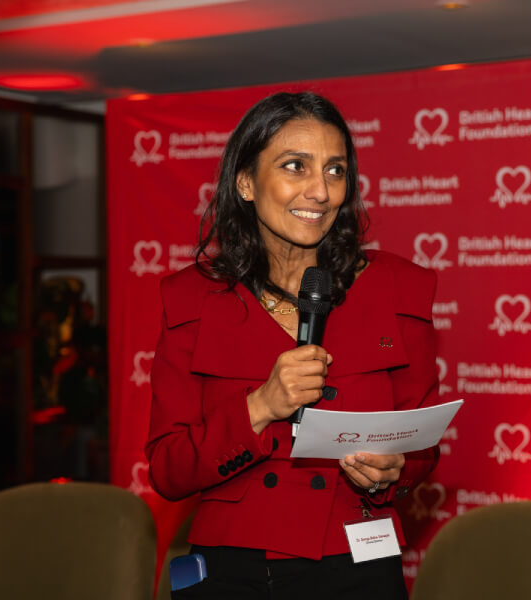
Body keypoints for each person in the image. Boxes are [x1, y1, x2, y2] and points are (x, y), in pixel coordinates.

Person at [145, 91, 440, 599]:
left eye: (335, 170)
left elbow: (421, 444)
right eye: (295, 166)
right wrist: (260, 406)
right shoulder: (192, 300)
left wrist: (395, 470)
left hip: (357, 561)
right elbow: (168, 470)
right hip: (232, 568)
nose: (320, 192)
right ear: (245, 182)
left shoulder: (397, 288)